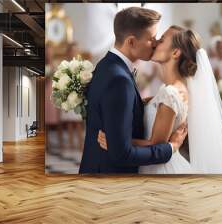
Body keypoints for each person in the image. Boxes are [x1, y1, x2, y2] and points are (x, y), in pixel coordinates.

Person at [98, 25, 222, 175]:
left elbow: (155, 145)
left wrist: (117, 141)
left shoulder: (171, 93)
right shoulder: (168, 89)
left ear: (175, 52)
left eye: (161, 40)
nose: (155, 43)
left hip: (160, 170)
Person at [79, 7, 187, 174]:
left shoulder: (105, 65)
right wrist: (171, 147)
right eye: (152, 38)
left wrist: (142, 104)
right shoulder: (119, 80)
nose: (156, 43)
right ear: (131, 42)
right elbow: (121, 154)